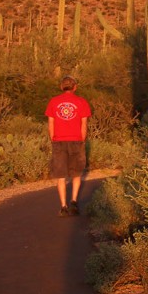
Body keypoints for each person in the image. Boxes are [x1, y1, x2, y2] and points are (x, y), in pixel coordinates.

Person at [45, 75, 92, 216]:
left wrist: (53, 139)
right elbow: (84, 124)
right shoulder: (82, 102)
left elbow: (51, 124)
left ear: (61, 87)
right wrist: (82, 139)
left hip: (58, 141)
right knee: (76, 173)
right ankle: (74, 201)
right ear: (75, 87)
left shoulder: (54, 102)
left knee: (61, 175)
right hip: (76, 140)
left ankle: (63, 206)